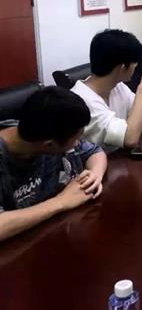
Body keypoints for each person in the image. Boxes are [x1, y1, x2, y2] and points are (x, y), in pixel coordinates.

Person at [0, 87, 107, 241]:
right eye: (75, 139)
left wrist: (94, 175)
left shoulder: (44, 132)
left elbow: (95, 152)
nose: (77, 143)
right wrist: (61, 202)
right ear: (50, 145)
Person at [72, 29, 142, 152]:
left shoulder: (118, 87)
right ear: (122, 67)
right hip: (100, 163)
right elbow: (129, 140)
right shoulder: (82, 100)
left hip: (120, 159)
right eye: (135, 64)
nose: (136, 67)